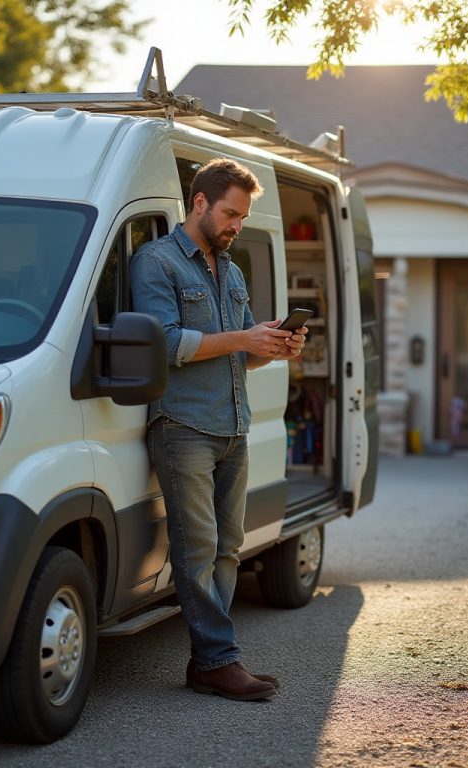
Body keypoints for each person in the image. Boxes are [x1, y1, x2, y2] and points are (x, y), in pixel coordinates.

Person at [129, 158, 307, 701]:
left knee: (229, 547)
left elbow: (237, 357)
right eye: (230, 213)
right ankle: (217, 659)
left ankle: (212, 660)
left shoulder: (229, 270)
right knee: (199, 548)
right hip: (183, 425)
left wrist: (273, 347)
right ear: (200, 203)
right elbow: (163, 343)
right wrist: (242, 340)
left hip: (233, 426)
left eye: (243, 217)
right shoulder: (155, 263)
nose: (236, 225)